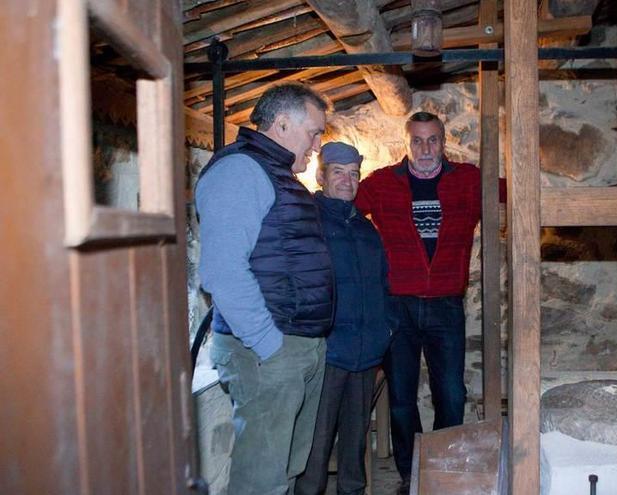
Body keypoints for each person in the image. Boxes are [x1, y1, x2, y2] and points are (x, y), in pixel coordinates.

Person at [196, 83, 333, 495]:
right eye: (314, 132)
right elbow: (222, 272)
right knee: (261, 481)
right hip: (267, 349)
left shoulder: (278, 175)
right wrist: (269, 345)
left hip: (295, 344)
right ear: (282, 123)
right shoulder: (240, 171)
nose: (317, 144)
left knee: (283, 472)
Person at [355, 111, 482, 493]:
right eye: (417, 141)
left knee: (451, 393)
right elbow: (342, 209)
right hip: (398, 306)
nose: (425, 149)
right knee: (401, 398)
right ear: (406, 144)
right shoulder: (381, 183)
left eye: (433, 140)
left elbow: (515, 191)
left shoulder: (469, 180)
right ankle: (412, 474)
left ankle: (441, 469)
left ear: (444, 142)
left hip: (446, 304)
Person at [295, 142, 391, 495]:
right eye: (338, 172)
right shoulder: (309, 223)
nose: (347, 181)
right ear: (321, 176)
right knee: (315, 447)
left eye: (354, 174)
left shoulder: (367, 230)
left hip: (365, 355)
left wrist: (386, 333)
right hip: (327, 354)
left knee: (355, 445)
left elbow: (383, 286)